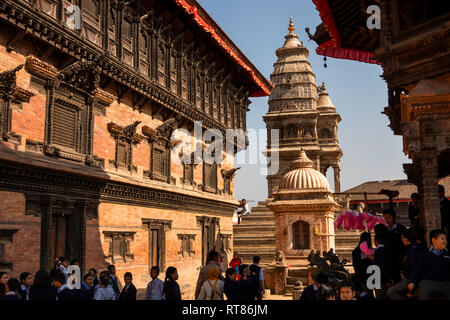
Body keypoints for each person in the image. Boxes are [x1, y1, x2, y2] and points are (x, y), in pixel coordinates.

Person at [409, 229, 450, 300]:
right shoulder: (425, 254)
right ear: (434, 240)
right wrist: (413, 282)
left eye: (446, 239)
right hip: (428, 282)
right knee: (423, 293)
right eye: (442, 239)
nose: (445, 241)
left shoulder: (448, 254)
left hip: (445, 283)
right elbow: (418, 269)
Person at [387, 228, 424, 300]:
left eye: (402, 238)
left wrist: (411, 288)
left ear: (406, 239)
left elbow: (415, 269)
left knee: (390, 292)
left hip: (411, 279)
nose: (402, 240)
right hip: (409, 278)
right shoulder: (413, 248)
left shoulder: (414, 250)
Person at [383, 208, 406, 284]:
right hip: (389, 259)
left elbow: (405, 244)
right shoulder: (385, 230)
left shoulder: (402, 229)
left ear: (394, 217)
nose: (387, 220)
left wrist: (405, 256)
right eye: (385, 218)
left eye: (389, 218)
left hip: (400, 259)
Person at [351, 232, 373, 299]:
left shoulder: (356, 250)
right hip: (365, 276)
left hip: (360, 275)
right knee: (367, 295)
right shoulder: (366, 251)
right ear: (368, 240)